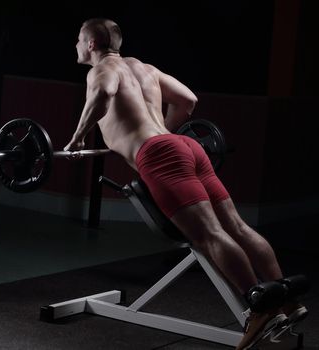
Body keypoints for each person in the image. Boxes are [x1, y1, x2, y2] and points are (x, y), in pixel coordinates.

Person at [64, 18, 308, 349]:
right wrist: (162, 132)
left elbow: (104, 94)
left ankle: (260, 308)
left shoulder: (101, 71)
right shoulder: (144, 68)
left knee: (210, 236)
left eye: (79, 40)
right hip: (188, 147)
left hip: (160, 156)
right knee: (236, 226)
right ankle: (288, 300)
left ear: (91, 44)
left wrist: (76, 140)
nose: (76, 46)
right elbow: (187, 101)